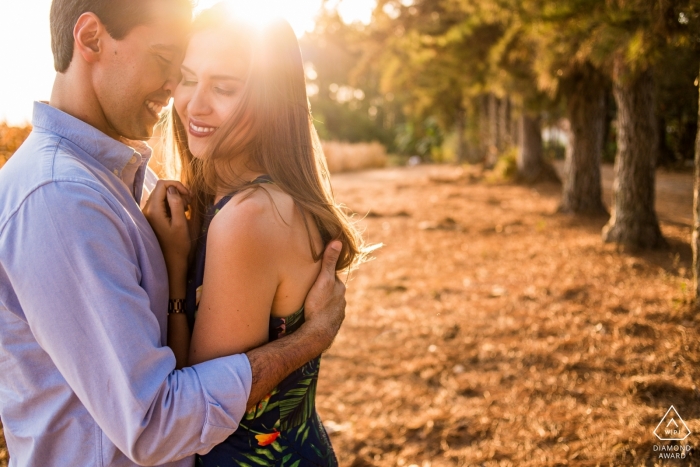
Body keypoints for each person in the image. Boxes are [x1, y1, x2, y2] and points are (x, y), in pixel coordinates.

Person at [0, 1, 347, 466]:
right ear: (91, 39)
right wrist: (310, 339)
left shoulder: (129, 180)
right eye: (172, 66)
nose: (178, 94)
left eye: (222, 86)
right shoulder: (59, 196)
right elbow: (158, 422)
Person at [142, 7, 366, 466]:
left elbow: (199, 401)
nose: (195, 104)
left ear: (269, 98)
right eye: (187, 78)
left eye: (224, 88)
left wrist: (176, 264)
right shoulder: (264, 197)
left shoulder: (249, 217)